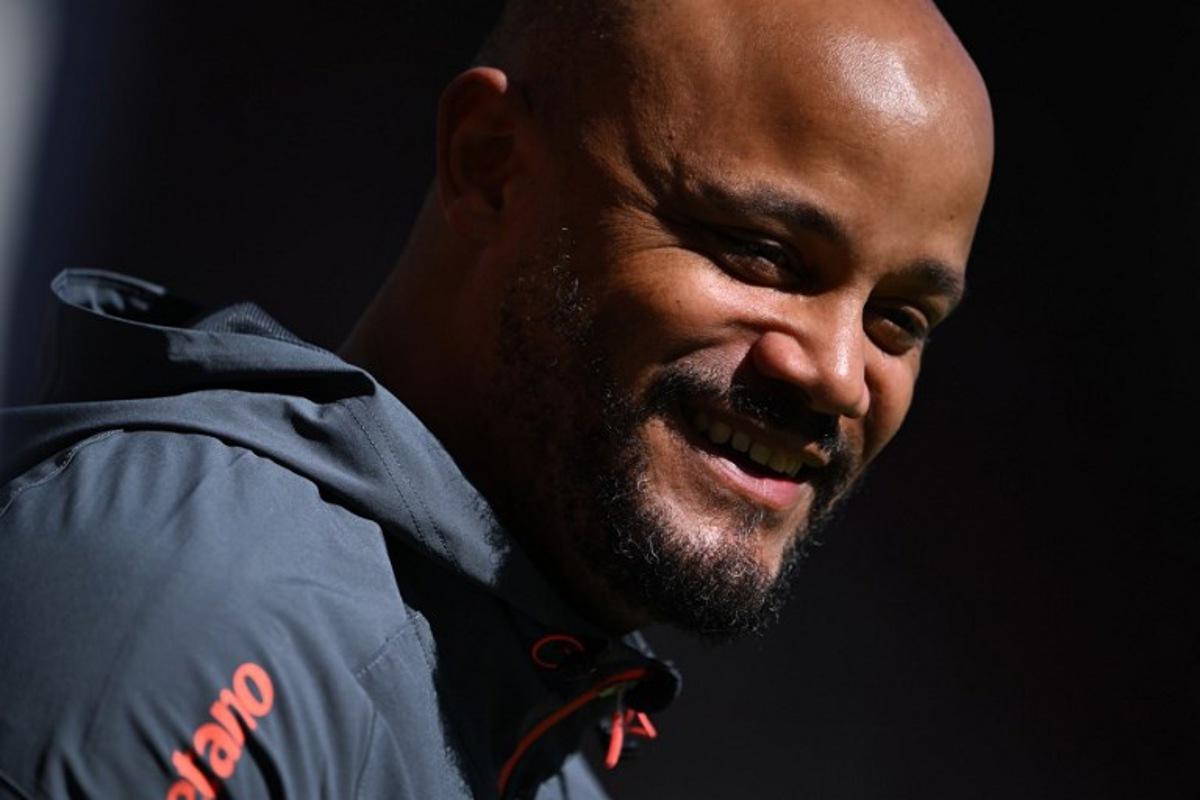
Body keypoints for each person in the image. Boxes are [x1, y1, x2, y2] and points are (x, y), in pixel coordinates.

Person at [0, 0, 993, 797]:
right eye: (765, 252)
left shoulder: (530, 724)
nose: (837, 370)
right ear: (491, 165)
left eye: (899, 321)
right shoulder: (198, 611)